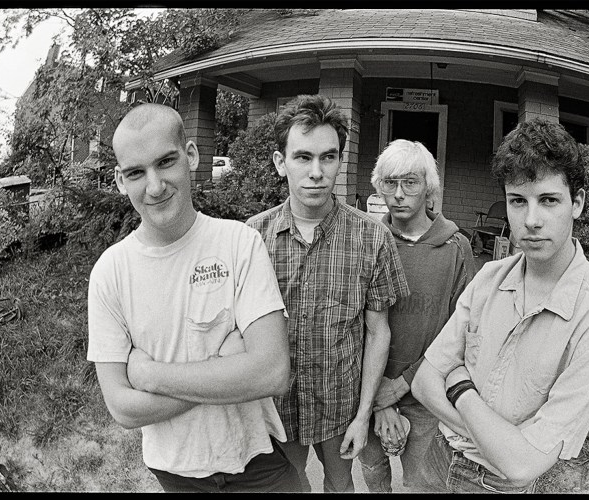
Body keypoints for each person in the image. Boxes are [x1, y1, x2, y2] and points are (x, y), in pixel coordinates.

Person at [87, 103, 300, 493]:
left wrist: (150, 375)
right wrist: (226, 368)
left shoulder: (239, 243)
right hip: (176, 473)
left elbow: (271, 372)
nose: (154, 186)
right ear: (120, 180)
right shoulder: (109, 273)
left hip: (259, 463)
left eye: (165, 162)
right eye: (136, 172)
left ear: (191, 156)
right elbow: (122, 407)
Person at [411, 118, 589, 493]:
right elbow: (425, 383)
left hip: (496, 486)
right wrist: (499, 439)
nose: (530, 220)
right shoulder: (489, 278)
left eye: (548, 200)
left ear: (577, 203)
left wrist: (460, 385)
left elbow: (523, 464)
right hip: (436, 460)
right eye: (517, 201)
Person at [246, 94, 410, 493]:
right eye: (303, 157)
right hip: (275, 411)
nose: (317, 172)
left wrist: (363, 414)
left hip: (340, 410)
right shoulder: (252, 238)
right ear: (280, 162)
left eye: (328, 157)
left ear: (341, 159)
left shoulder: (372, 237)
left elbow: (378, 332)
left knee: (340, 487)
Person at [358, 139, 477, 492]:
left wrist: (403, 384)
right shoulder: (368, 241)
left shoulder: (456, 248)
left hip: (428, 397)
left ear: (429, 188)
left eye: (410, 183)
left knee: (424, 485)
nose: (399, 194)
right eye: (389, 183)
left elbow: (461, 330)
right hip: (369, 390)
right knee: (374, 476)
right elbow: (356, 325)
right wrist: (379, 400)